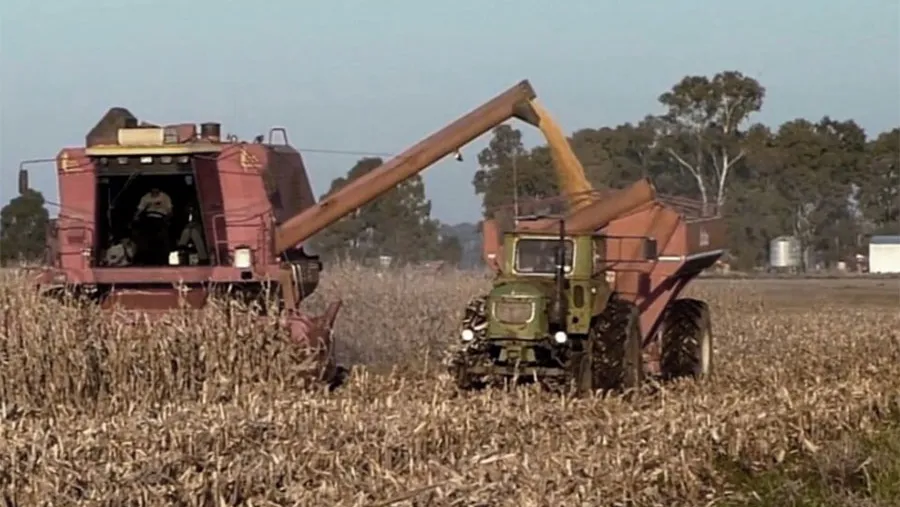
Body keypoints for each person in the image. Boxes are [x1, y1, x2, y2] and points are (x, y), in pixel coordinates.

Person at [132, 187, 173, 264]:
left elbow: (170, 211)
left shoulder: (165, 197)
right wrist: (135, 217)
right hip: (148, 219)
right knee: (145, 238)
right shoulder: (146, 197)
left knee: (161, 239)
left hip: (161, 218)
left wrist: (167, 220)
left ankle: (162, 259)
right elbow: (140, 210)